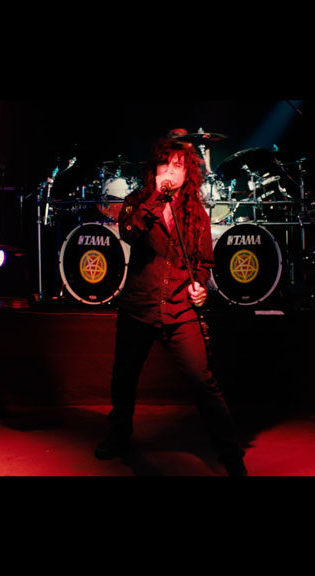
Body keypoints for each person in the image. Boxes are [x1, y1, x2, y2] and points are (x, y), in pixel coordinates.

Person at [94, 134, 247, 475]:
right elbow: (129, 232)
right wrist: (155, 199)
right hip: (139, 307)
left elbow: (204, 262)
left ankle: (230, 453)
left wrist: (200, 285)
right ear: (154, 170)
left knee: (202, 381)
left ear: (187, 173)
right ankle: (119, 433)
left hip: (179, 309)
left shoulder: (196, 213)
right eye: (163, 165)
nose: (169, 172)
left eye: (177, 167)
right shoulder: (136, 202)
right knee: (124, 376)